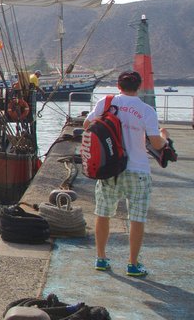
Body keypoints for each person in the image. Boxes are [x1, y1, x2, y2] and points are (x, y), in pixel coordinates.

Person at [85, 70, 170, 277]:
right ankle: (132, 264)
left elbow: (88, 125)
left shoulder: (105, 103)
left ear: (118, 85)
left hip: (110, 168)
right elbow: (157, 143)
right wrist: (164, 136)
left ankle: (101, 259)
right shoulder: (147, 110)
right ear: (139, 86)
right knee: (137, 218)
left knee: (103, 213)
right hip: (138, 170)